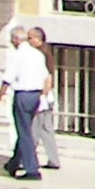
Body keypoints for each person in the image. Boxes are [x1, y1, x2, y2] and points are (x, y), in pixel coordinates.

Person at [0, 25, 49, 181]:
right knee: (25, 129)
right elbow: (45, 77)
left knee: (24, 133)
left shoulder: (18, 56)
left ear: (16, 40)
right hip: (35, 95)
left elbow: (7, 78)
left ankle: (32, 169)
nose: (11, 43)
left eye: (12, 40)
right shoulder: (37, 54)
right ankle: (14, 163)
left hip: (23, 95)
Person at [24, 27, 60, 173]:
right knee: (46, 129)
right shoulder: (44, 52)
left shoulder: (41, 54)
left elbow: (48, 77)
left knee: (34, 130)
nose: (28, 41)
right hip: (46, 96)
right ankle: (53, 159)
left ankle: (26, 159)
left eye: (30, 38)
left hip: (43, 96)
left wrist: (42, 96)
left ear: (38, 39)